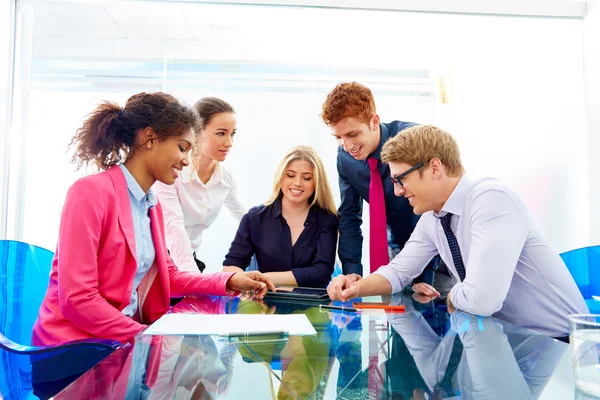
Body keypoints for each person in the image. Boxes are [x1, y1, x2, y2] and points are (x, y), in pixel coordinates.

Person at [32, 92, 275, 347]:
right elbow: (78, 300)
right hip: (73, 349)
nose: (185, 160)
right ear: (149, 138)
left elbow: (168, 277)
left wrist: (230, 280)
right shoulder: (90, 193)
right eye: (182, 147)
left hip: (120, 342)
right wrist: (144, 336)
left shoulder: (150, 205)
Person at [327, 124, 588, 338]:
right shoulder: (433, 218)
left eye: (400, 179)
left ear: (435, 168)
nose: (396, 191)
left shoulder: (491, 199)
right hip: (509, 341)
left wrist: (454, 293)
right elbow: (398, 272)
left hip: (561, 347)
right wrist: (356, 287)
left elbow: (483, 299)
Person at [320, 82, 442, 288]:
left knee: (438, 312)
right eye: (339, 137)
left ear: (374, 121)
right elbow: (349, 216)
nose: (347, 146)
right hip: (397, 254)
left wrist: (424, 276)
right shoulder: (345, 158)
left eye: (352, 134)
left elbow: (436, 207)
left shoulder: (412, 140)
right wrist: (352, 271)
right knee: (397, 316)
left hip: (438, 254)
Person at [223, 145, 338, 287]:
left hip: (309, 302)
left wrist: (264, 279)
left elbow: (321, 274)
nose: (297, 183)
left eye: (307, 178)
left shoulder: (327, 220)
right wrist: (243, 281)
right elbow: (231, 266)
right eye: (290, 175)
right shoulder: (254, 218)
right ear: (280, 177)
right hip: (262, 299)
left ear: (317, 183)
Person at [153, 97, 245, 273]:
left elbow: (245, 218)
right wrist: (193, 278)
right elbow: (173, 228)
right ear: (196, 132)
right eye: (221, 133)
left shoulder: (225, 180)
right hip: (158, 265)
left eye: (232, 133)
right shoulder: (171, 173)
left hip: (188, 263)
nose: (229, 142)